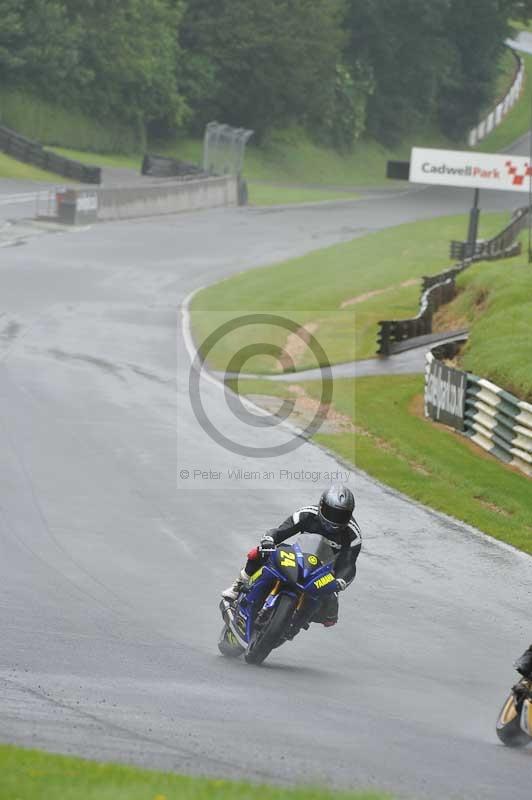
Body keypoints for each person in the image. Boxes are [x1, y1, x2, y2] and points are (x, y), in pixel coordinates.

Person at [222, 484, 361, 627]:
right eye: (331, 513)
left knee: (330, 613)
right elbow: (280, 532)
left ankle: (300, 621)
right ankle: (237, 586)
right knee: (259, 552)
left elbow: (348, 564)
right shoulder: (307, 514)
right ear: (321, 506)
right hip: (299, 556)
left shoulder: (353, 536)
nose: (335, 520)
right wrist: (269, 540)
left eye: (341, 516)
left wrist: (340, 582)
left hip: (325, 571)